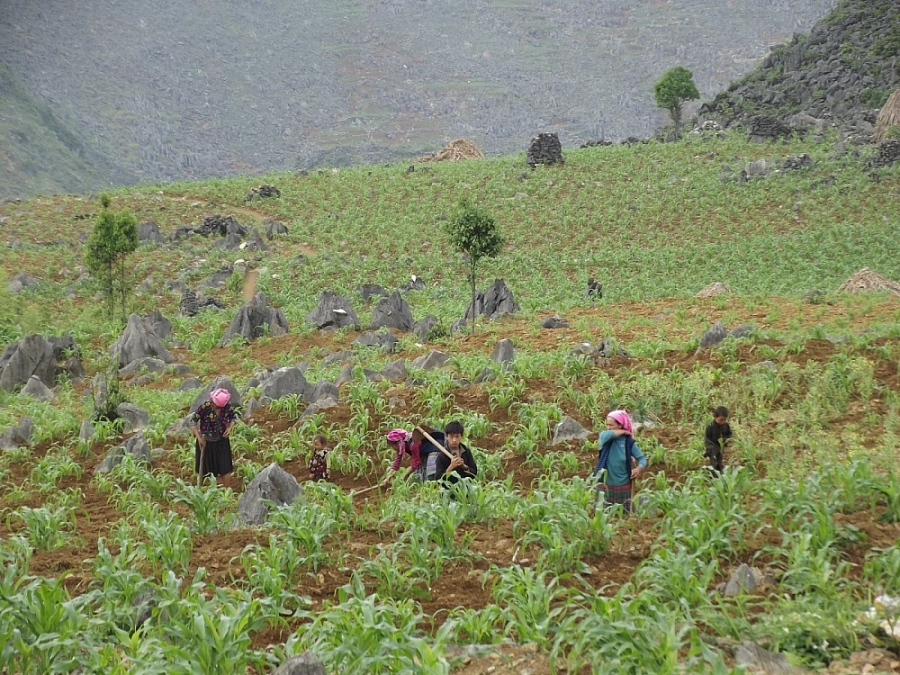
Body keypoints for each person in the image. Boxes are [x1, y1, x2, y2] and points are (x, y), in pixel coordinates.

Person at [592, 410, 647, 513]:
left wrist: (639, 468)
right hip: (605, 486)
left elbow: (642, 459)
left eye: (611, 425)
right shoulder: (605, 438)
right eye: (607, 424)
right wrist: (623, 431)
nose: (608, 427)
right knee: (603, 518)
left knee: (623, 518)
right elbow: (605, 435)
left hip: (623, 487)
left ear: (620, 425)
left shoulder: (627, 442)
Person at [192, 388, 238, 487]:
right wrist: (199, 437)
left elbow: (233, 418)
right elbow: (193, 421)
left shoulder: (227, 407)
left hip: (221, 441)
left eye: (220, 407)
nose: (218, 408)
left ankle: (227, 491)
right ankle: (201, 490)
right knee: (203, 468)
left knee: (225, 467)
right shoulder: (205, 407)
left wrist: (229, 428)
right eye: (217, 406)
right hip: (205, 442)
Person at [704, 406, 732, 475]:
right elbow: (707, 439)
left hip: (720, 447)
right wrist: (712, 448)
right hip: (712, 448)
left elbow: (729, 434)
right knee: (714, 461)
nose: (722, 422)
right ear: (715, 417)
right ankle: (714, 474)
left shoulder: (726, 425)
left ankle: (720, 470)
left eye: (724, 420)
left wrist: (725, 440)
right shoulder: (710, 427)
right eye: (721, 420)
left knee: (720, 459)